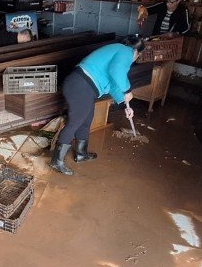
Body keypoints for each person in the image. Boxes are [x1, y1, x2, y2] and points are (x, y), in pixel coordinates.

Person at [50, 36, 145, 175]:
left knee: (86, 119)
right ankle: (56, 161)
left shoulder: (117, 50)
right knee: (75, 122)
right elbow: (117, 71)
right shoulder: (126, 52)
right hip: (81, 85)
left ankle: (81, 154)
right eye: (138, 55)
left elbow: (113, 83)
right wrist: (127, 90)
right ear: (136, 51)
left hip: (83, 86)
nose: (136, 57)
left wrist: (125, 104)